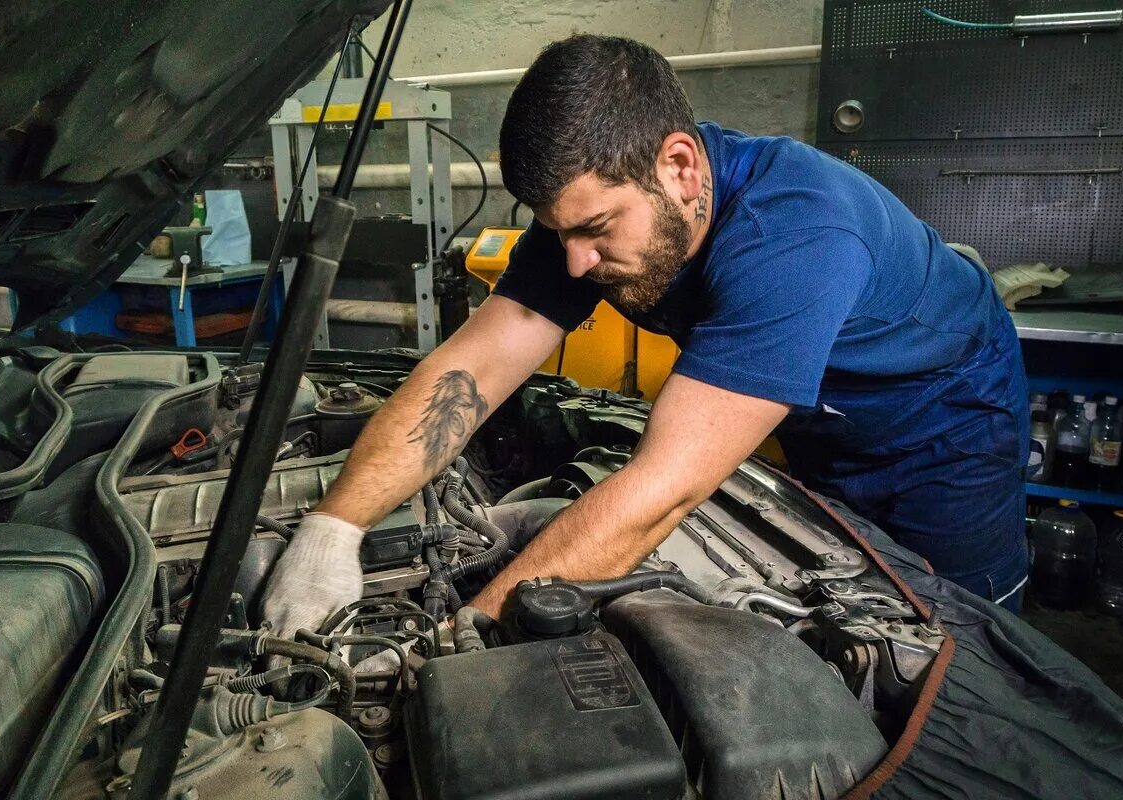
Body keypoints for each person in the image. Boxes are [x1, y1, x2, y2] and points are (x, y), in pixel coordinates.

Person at [262, 34, 1030, 637]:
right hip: (819, 422)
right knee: (838, 600)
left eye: (595, 230)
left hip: (944, 422)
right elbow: (472, 366)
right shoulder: (588, 222)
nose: (574, 261)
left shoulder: (794, 237)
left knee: (946, 636)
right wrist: (335, 526)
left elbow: (664, 487)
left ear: (681, 167)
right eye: (557, 231)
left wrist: (470, 632)